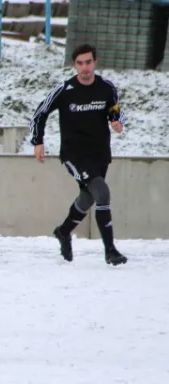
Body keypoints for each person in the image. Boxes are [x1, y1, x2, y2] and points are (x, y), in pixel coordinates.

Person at [29, 43, 127, 266]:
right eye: (80, 63)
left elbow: (115, 109)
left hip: (100, 153)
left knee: (88, 196)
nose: (85, 68)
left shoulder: (106, 87)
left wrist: (117, 122)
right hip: (74, 155)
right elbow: (40, 113)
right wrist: (38, 141)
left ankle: (63, 232)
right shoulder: (64, 90)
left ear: (95, 62)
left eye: (88, 62)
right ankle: (110, 251)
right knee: (101, 192)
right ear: (74, 65)